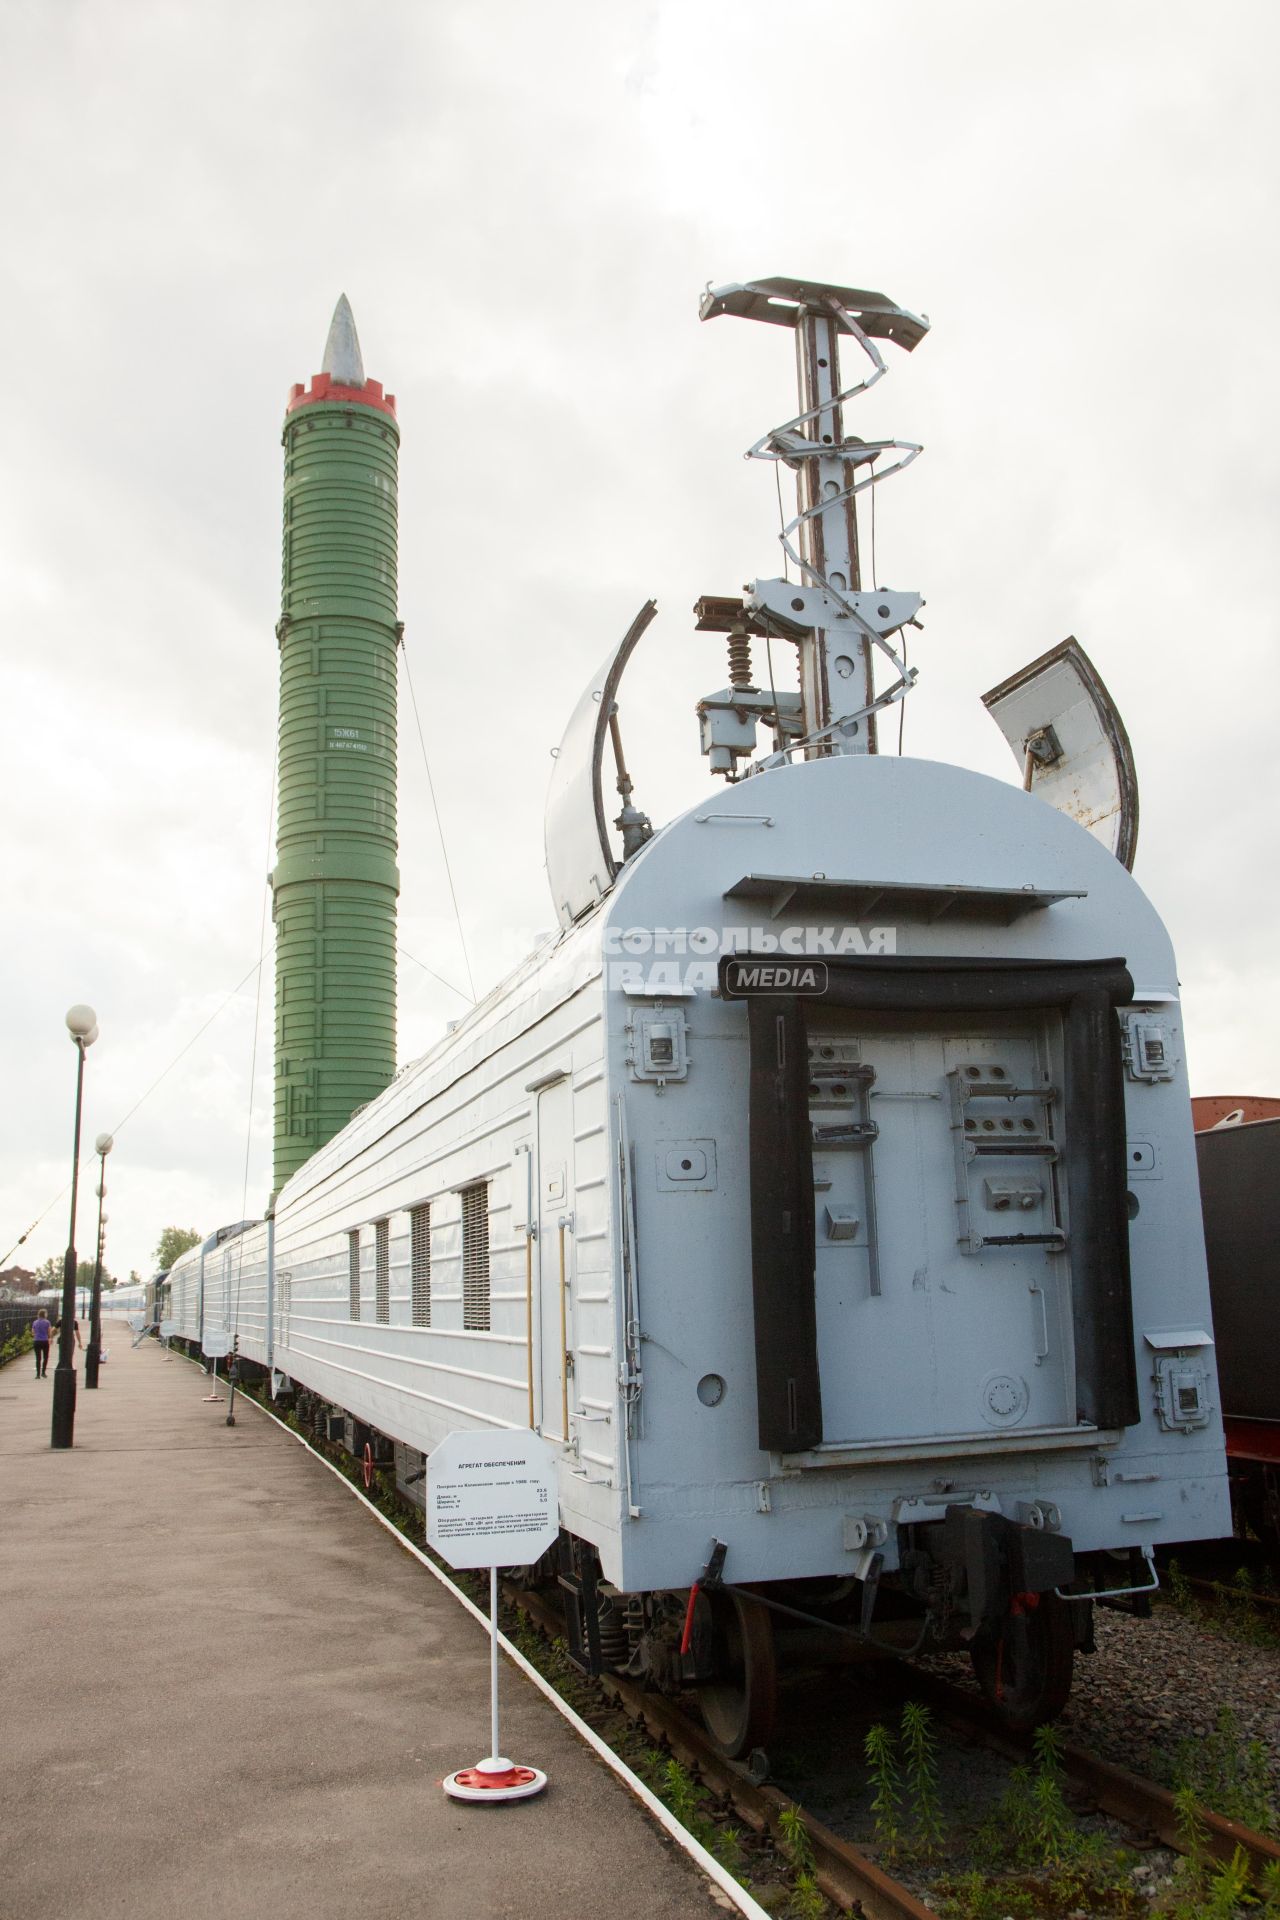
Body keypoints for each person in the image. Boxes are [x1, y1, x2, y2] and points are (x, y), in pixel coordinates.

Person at [32, 1311, 51, 1378]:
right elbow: (49, 1332)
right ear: (45, 1315)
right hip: (45, 1341)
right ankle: (43, 1372)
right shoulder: (47, 1322)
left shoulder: (35, 1322)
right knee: (45, 1357)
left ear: (38, 1315)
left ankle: (37, 1374)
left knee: (38, 1358)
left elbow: (33, 1332)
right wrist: (49, 1338)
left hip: (36, 1341)